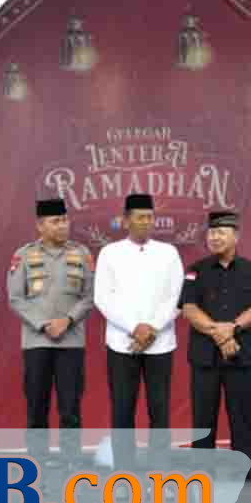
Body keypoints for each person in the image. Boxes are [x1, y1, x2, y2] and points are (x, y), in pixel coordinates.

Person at [93, 193, 184, 472]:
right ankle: (124, 470)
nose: (146, 222)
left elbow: (177, 296)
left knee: (160, 410)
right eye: (140, 217)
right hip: (122, 343)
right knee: (122, 409)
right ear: (125, 221)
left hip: (160, 342)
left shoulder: (169, 253)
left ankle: (160, 470)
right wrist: (135, 327)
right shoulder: (110, 253)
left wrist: (152, 327)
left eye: (150, 217)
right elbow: (102, 297)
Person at [180, 211, 251, 473]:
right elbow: (189, 309)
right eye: (211, 232)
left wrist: (232, 328)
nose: (214, 237)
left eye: (221, 232)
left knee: (241, 415)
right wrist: (220, 334)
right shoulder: (195, 270)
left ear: (235, 236)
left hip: (240, 355)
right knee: (203, 416)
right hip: (204, 357)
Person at [8, 198, 96, 468]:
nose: (62, 226)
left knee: (71, 405)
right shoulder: (24, 255)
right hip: (37, 341)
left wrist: (68, 320)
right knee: (37, 404)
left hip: (71, 342)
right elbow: (15, 298)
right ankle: (38, 457)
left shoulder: (81, 253)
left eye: (65, 220)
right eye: (56, 221)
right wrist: (44, 324)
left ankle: (71, 458)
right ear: (40, 225)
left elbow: (91, 295)